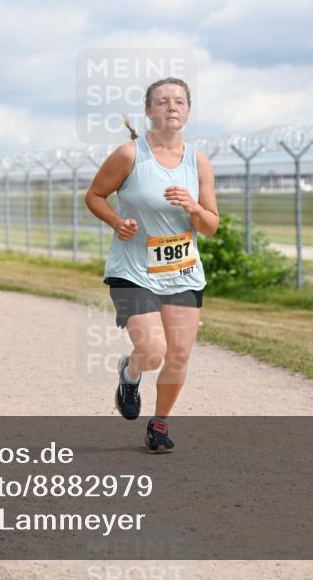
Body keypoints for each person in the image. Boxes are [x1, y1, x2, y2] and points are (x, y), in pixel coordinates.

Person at [85, 77, 219, 453]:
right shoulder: (130, 155)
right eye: (162, 102)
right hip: (133, 271)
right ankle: (130, 374)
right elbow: (94, 195)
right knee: (154, 351)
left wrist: (193, 207)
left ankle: (159, 425)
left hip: (183, 273)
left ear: (188, 111)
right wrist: (116, 222)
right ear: (148, 111)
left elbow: (210, 225)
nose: (171, 107)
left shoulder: (199, 162)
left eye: (179, 101)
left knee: (178, 354)